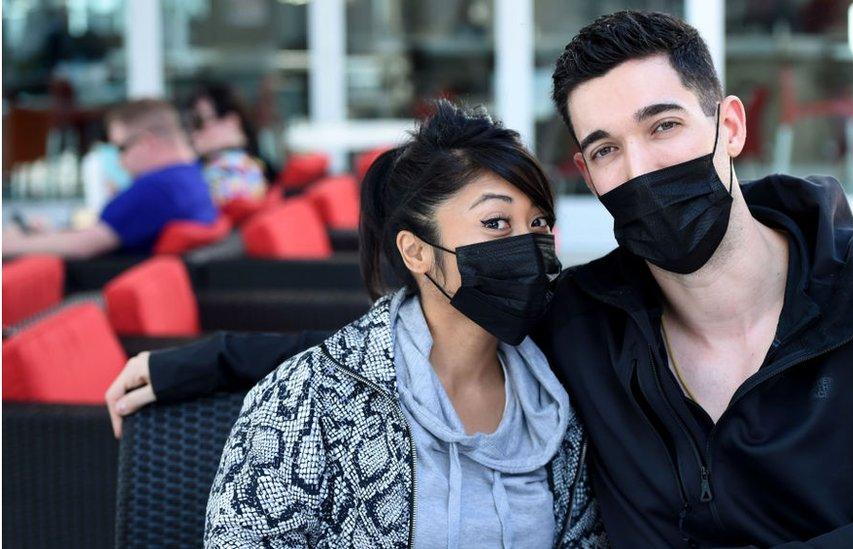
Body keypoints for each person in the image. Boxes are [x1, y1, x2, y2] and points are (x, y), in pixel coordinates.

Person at [107, 11, 853, 547]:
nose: (638, 168)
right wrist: (206, 361)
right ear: (586, 173)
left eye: (663, 126)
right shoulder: (581, 320)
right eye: (605, 149)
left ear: (730, 125)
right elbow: (413, 345)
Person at [199, 101, 605, 547]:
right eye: (495, 223)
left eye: (539, 223)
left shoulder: (558, 396)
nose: (527, 245)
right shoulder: (312, 400)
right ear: (416, 252)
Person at [4, 99, 217, 258]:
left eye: (120, 148)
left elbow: (82, 245)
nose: (117, 160)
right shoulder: (191, 177)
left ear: (145, 143)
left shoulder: (157, 187)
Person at [186, 83, 271, 204]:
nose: (192, 133)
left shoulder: (232, 171)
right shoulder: (249, 166)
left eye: (198, 122)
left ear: (232, 122)